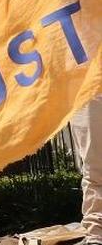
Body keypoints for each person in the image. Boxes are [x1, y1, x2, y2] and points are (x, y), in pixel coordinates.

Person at [72, 98, 102, 245]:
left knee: (94, 171)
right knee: (95, 169)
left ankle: (96, 235)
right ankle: (96, 235)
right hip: (89, 88)